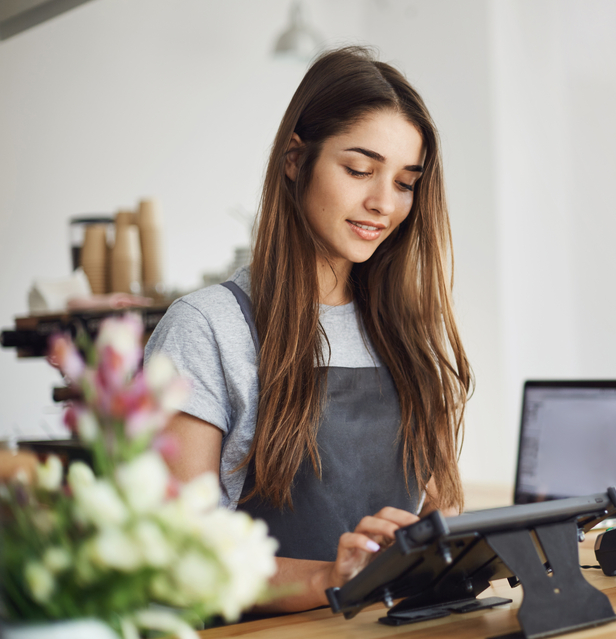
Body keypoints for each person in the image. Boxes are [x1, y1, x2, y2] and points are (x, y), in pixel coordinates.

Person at [144, 46, 471, 614]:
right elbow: (180, 558)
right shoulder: (207, 329)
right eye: (360, 170)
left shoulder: (406, 334)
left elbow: (435, 515)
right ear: (296, 160)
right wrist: (334, 577)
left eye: (405, 182)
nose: (383, 204)